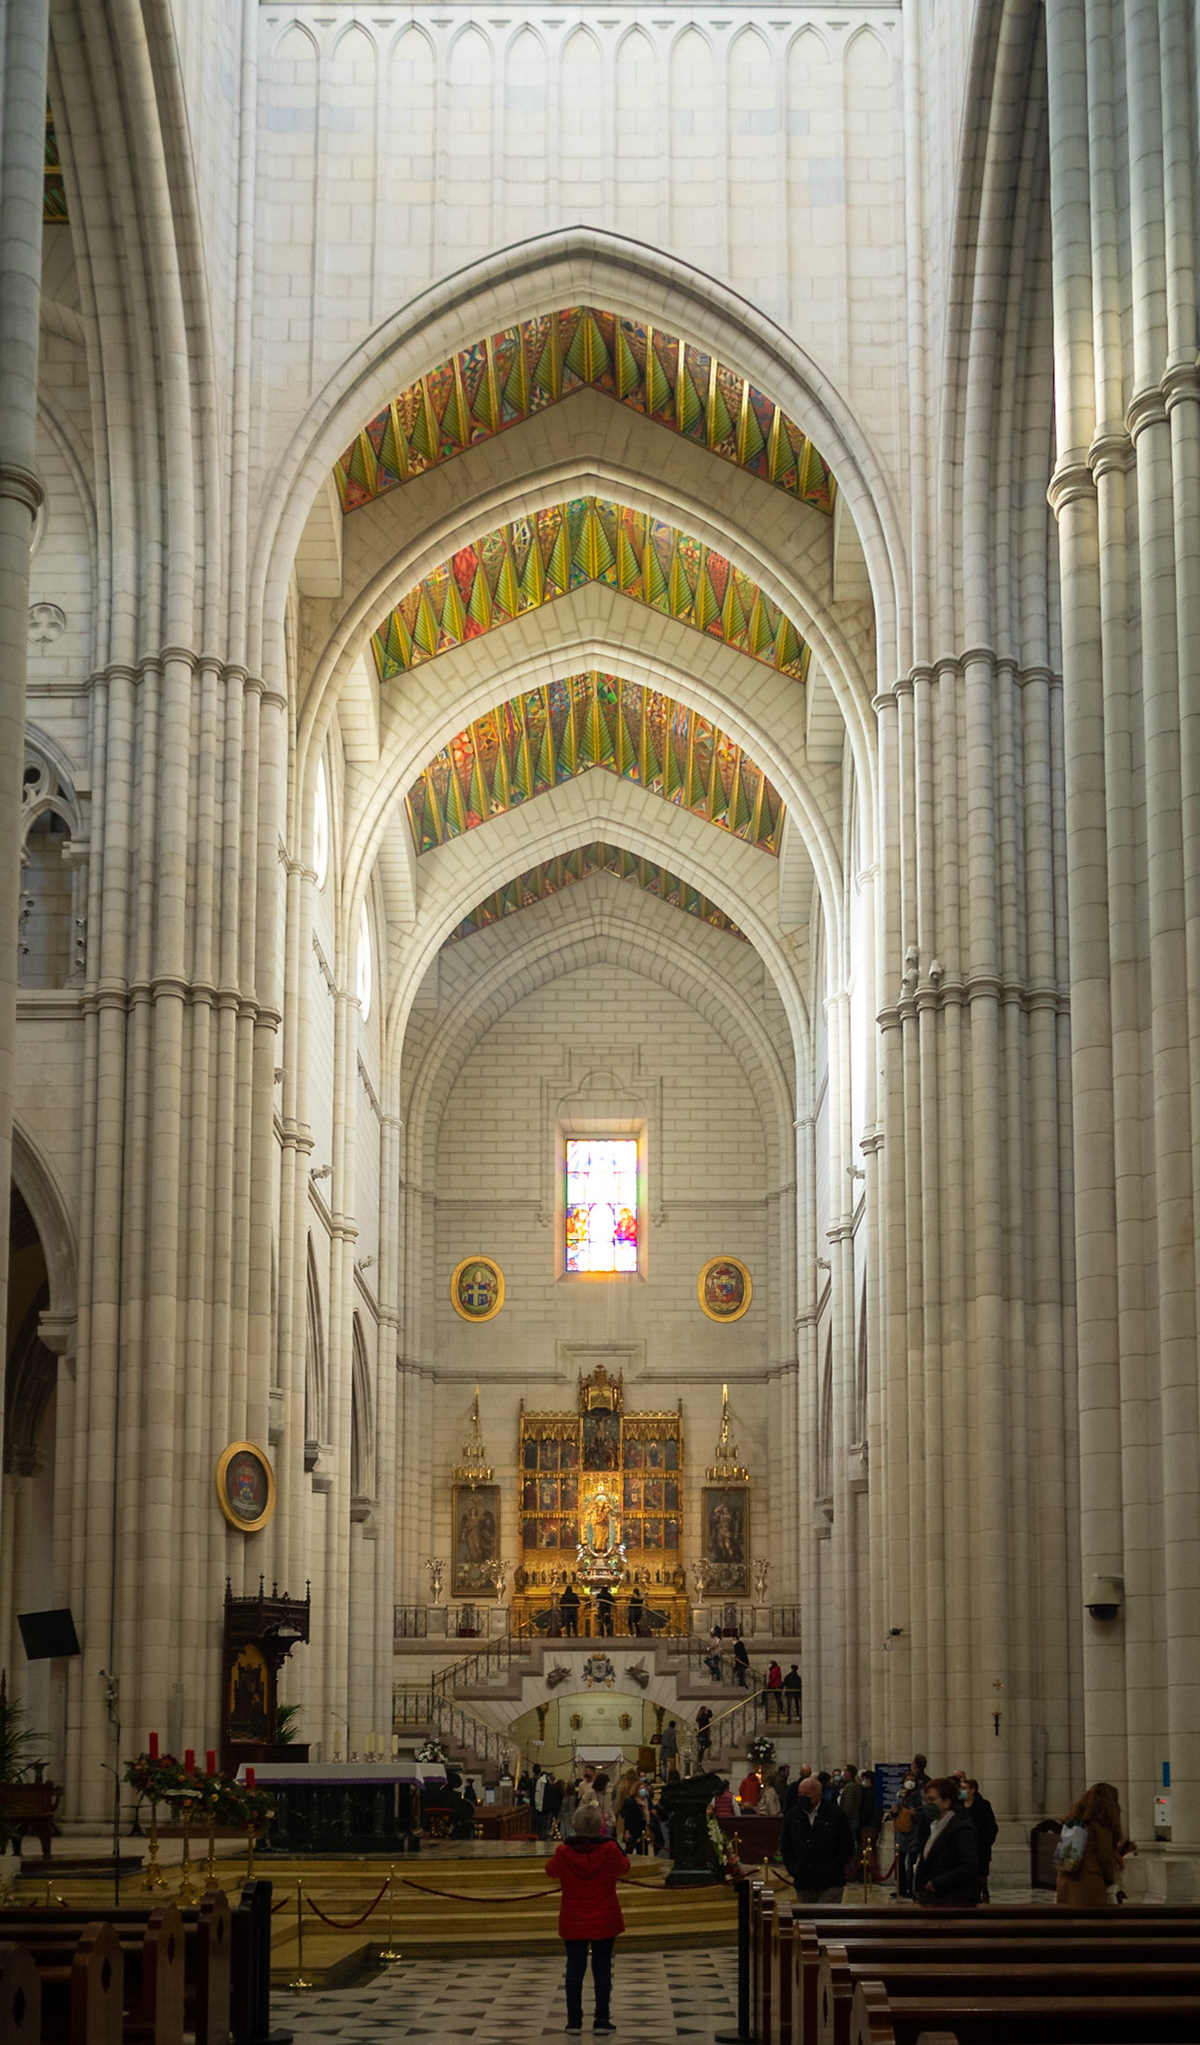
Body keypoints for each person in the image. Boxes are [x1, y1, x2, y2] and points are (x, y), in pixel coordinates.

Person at [545, 1799, 629, 2034]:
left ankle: (574, 2020)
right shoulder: (610, 1850)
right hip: (604, 1916)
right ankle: (601, 2019)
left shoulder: (564, 1852)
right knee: (602, 1969)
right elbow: (625, 1867)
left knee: (574, 1969)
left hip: (574, 1918)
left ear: (575, 1826)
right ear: (599, 1827)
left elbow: (549, 1871)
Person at [1055, 1781, 1132, 1908]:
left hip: (1066, 1879)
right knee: (1090, 1922)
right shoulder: (1100, 1827)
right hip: (1088, 1880)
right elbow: (1104, 1857)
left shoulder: (1073, 1823)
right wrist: (1111, 1878)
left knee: (1068, 1922)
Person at [780, 1773, 854, 1903]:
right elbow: (786, 1845)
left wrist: (834, 1867)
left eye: (806, 1795)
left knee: (826, 1919)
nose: (802, 1798)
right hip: (803, 1879)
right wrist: (793, 1868)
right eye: (800, 1795)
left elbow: (847, 1845)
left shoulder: (836, 1814)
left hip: (831, 1881)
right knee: (806, 1920)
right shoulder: (792, 1816)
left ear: (818, 1794)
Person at [913, 1776, 980, 1906]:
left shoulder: (960, 1829)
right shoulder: (934, 1825)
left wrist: (936, 1883)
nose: (928, 1804)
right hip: (933, 1899)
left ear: (946, 1802)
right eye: (926, 1800)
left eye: (932, 1800)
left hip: (953, 1900)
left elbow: (969, 1866)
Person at [963, 1778, 998, 1901]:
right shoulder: (958, 1805)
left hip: (980, 1844)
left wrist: (986, 1841)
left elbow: (991, 1826)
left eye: (964, 1789)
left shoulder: (983, 1805)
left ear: (972, 1790)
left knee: (981, 1873)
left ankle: (983, 1891)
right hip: (964, 1844)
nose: (961, 1791)